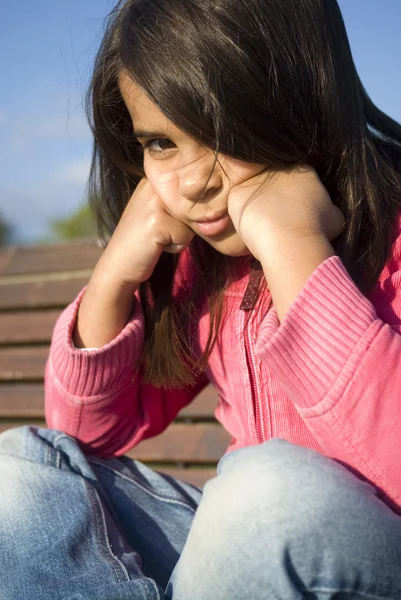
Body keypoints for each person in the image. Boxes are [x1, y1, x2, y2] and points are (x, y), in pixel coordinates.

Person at [1, 0, 401, 597]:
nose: (192, 180)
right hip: (242, 551)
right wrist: (113, 278)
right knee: (22, 472)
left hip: (360, 555)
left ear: (301, 94)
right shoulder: (209, 267)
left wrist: (296, 251)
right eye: (161, 143)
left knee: (263, 493)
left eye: (221, 130)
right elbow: (90, 433)